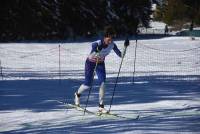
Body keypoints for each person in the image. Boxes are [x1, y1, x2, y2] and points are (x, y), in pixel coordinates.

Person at [74, 26, 128, 113]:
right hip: (90, 63)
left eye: (112, 38)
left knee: (103, 83)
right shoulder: (97, 42)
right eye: (109, 38)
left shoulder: (112, 45)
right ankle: (77, 94)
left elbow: (121, 55)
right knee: (87, 84)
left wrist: (125, 47)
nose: (110, 40)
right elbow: (94, 48)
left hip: (100, 64)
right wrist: (99, 48)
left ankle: (101, 106)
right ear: (105, 36)